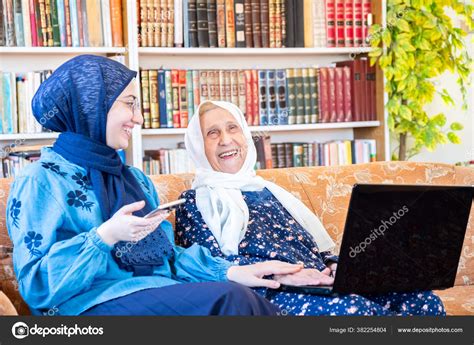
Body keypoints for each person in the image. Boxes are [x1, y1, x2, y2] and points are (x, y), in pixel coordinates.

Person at [6, 55, 305, 316]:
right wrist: (104, 236)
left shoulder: (135, 179)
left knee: (244, 294)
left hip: (156, 291)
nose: (138, 118)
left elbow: (168, 255)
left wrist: (232, 271)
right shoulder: (40, 181)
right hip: (88, 306)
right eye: (129, 104)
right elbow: (36, 286)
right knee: (231, 301)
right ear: (91, 106)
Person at [175, 100, 446, 316]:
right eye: (212, 133)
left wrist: (336, 267)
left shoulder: (271, 191)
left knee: (423, 302)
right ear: (199, 146)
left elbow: (314, 249)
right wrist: (281, 275)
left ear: (245, 135)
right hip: (268, 292)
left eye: (232, 128)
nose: (225, 139)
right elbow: (211, 266)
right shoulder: (195, 202)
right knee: (354, 311)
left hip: (317, 282)